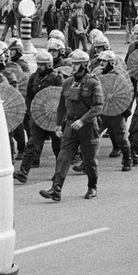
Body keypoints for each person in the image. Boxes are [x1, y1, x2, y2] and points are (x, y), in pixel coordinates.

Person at [39, 50, 103, 202]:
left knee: (89, 159)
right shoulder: (67, 82)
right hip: (70, 126)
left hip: (87, 127)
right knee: (63, 157)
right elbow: (62, 105)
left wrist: (82, 120)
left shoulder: (93, 82)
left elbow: (98, 106)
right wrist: (58, 124)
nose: (73, 67)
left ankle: (92, 187)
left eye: (77, 64)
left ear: (85, 65)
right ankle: (56, 189)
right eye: (72, 64)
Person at [13, 50, 63, 183]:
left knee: (58, 146)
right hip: (38, 116)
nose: (39, 67)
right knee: (32, 144)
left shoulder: (56, 78)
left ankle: (59, 173)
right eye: (38, 64)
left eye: (42, 65)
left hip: (54, 118)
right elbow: (29, 95)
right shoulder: (33, 77)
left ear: (49, 65)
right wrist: (31, 110)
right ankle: (23, 171)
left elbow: (61, 96)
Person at [92, 50, 133, 172]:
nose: (102, 63)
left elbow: (126, 92)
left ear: (111, 62)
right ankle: (87, 163)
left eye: (105, 61)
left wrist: (123, 109)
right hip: (101, 111)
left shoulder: (119, 75)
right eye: (101, 61)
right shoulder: (96, 73)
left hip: (116, 112)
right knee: (92, 136)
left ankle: (127, 159)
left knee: (121, 138)